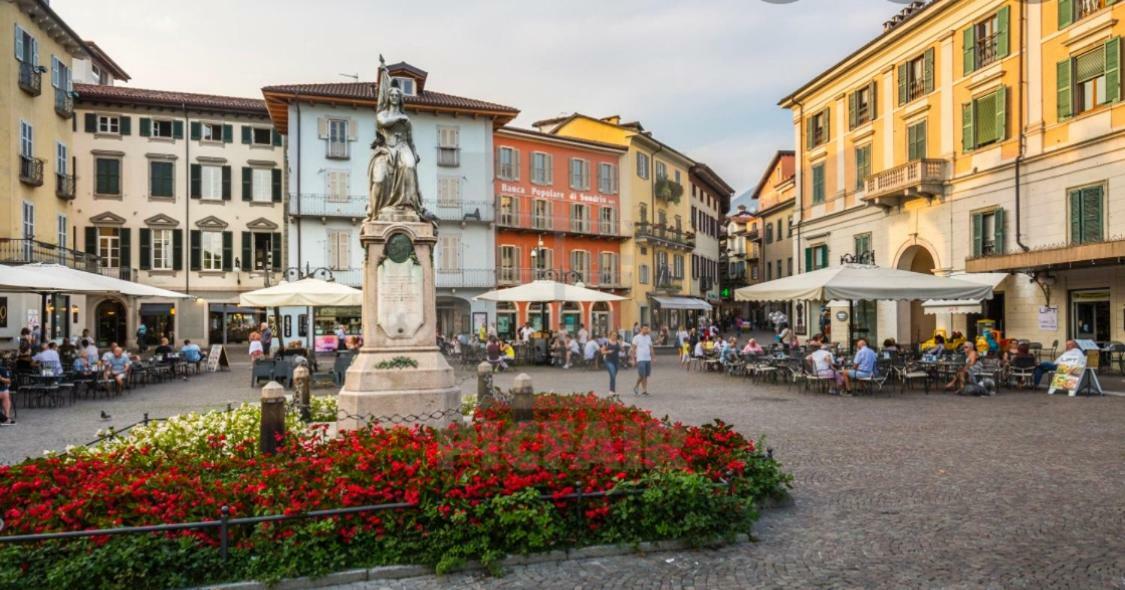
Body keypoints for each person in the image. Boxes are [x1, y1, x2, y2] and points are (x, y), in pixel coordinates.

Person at [631, 325, 654, 395]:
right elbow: (633, 349)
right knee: (642, 375)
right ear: (641, 329)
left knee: (646, 375)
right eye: (644, 329)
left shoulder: (648, 337)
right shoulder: (636, 337)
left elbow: (651, 347)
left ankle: (641, 388)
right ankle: (641, 389)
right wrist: (633, 359)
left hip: (648, 358)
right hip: (640, 358)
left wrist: (653, 356)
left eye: (647, 329)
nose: (646, 330)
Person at [0, 361, 14, 426]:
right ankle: (5, 419)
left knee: (5, 393)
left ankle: (6, 417)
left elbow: (8, 381)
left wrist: (1, 378)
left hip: (3, 390)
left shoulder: (2, 369)